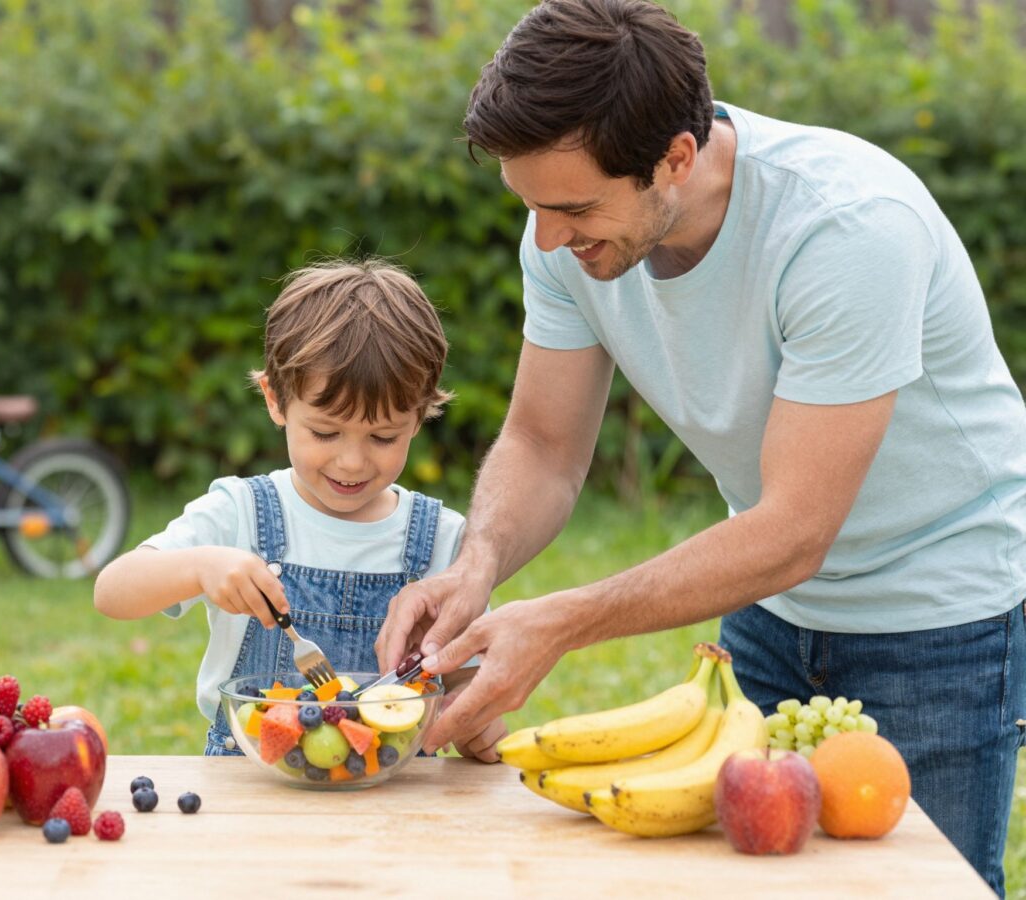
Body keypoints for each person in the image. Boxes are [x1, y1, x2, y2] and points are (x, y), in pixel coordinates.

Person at [374, 0, 1026, 892]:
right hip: (763, 611)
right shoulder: (562, 235)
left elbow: (797, 528)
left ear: (675, 158)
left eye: (571, 207)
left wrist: (560, 623)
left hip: (939, 620)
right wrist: (477, 561)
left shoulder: (846, 228)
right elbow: (542, 443)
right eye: (530, 206)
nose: (548, 238)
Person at [95, 259, 506, 762]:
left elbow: (463, 672)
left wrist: (472, 718)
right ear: (276, 400)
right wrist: (201, 566)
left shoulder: (443, 538)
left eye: (383, 437)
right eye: (325, 432)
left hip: (397, 801)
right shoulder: (241, 513)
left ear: (418, 418)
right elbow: (112, 590)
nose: (351, 461)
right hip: (252, 793)